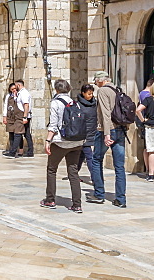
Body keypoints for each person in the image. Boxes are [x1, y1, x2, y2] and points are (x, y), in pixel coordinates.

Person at [40, 79, 86, 212]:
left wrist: (48, 141)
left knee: (51, 169)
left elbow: (53, 125)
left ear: (56, 90)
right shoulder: (75, 103)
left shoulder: (56, 103)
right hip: (76, 142)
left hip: (61, 142)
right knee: (73, 172)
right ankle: (77, 204)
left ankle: (50, 200)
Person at [87, 71, 128, 208]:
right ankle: (121, 199)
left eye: (96, 81)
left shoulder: (103, 91)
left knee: (96, 160)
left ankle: (99, 194)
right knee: (119, 166)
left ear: (101, 80)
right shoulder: (117, 89)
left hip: (106, 130)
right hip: (120, 130)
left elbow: (105, 113)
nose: (95, 84)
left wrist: (107, 134)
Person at [75, 83, 97, 175]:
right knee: (89, 156)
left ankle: (74, 173)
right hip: (83, 134)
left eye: (92, 93)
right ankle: (95, 177)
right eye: (89, 93)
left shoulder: (95, 103)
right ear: (83, 93)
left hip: (93, 132)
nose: (91, 95)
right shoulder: (77, 105)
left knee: (81, 155)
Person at [3, 82, 25, 157]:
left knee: (18, 134)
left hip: (18, 117)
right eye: (12, 89)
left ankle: (20, 150)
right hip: (10, 116)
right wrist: (4, 117)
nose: (13, 90)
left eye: (14, 88)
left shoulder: (19, 95)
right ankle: (12, 149)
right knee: (11, 134)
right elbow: (5, 106)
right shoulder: (8, 96)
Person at [15, 78, 34, 157]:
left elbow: (26, 105)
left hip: (24, 116)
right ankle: (27, 151)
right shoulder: (20, 93)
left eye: (16, 85)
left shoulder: (24, 93)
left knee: (22, 134)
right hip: (22, 116)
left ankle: (29, 151)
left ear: (19, 85)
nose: (15, 87)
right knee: (25, 134)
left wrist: (25, 117)